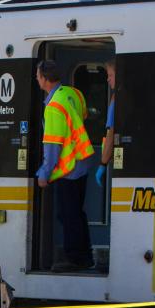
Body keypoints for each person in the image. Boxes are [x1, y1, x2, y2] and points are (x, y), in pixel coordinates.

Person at [34, 60, 95, 272]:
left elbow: (52, 146)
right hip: (82, 163)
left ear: (44, 78)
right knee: (77, 212)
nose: (36, 79)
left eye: (38, 75)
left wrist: (44, 174)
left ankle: (75, 258)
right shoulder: (74, 94)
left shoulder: (53, 107)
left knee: (68, 214)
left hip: (67, 168)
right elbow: (83, 117)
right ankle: (86, 256)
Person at [96, 59, 116, 186]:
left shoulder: (116, 100)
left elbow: (111, 134)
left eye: (110, 75)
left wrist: (103, 163)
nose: (108, 79)